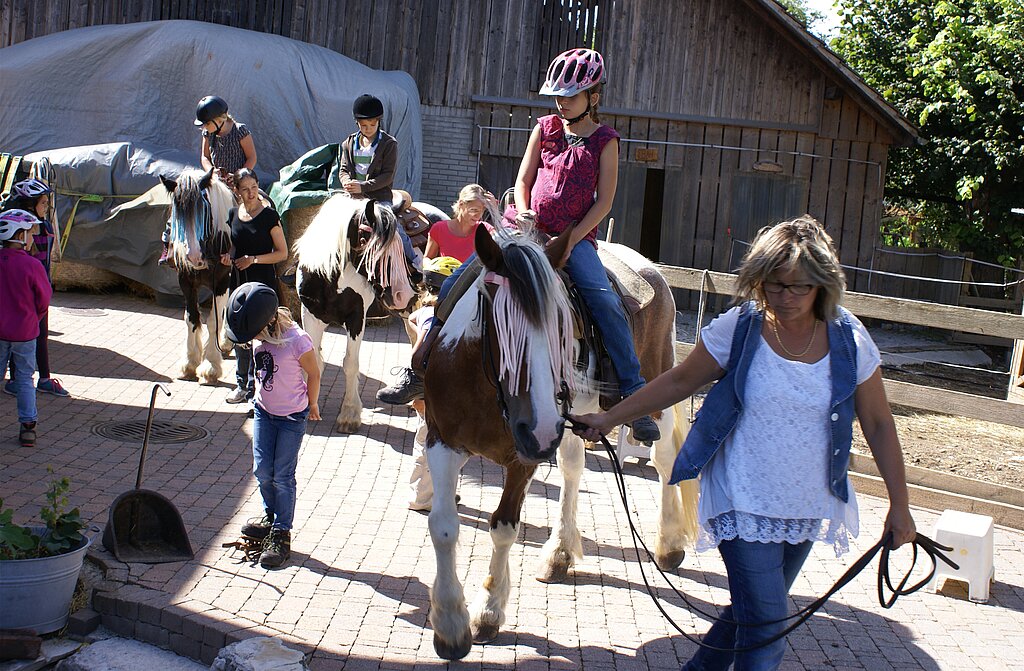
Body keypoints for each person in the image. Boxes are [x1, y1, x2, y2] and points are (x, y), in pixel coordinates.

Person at [570, 216, 917, 670]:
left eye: (798, 288)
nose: (784, 298)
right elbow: (678, 381)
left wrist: (901, 503)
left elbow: (879, 423)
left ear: (822, 285)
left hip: (807, 503)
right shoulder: (741, 328)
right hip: (741, 498)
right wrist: (610, 416)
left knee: (750, 617)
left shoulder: (849, 338)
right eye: (772, 285)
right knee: (767, 631)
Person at [379, 48, 661, 443]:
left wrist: (573, 238)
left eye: (571, 95)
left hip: (573, 237)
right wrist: (524, 211)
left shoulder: (604, 141)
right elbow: (524, 180)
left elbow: (605, 202)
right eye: (558, 96)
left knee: (605, 300)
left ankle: (633, 391)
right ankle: (421, 368)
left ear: (593, 97)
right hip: (525, 228)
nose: (561, 103)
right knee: (457, 279)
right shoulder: (544, 127)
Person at [225, 282, 321, 569]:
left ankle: (282, 532)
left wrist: (312, 404)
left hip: (292, 418)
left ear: (266, 320)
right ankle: (271, 516)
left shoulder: (297, 340)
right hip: (264, 413)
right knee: (261, 470)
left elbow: (314, 373)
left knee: (282, 475)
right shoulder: (259, 336)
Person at [376, 184, 498, 403]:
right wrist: (436, 266)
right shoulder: (439, 229)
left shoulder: (486, 231)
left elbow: (500, 247)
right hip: (441, 292)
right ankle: (418, 375)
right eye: (473, 209)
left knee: (427, 319)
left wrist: (496, 214)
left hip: (472, 295)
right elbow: (427, 258)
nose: (478, 215)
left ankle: (417, 377)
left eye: (481, 211)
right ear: (460, 205)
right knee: (418, 316)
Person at [159, 96, 258, 266]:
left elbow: (252, 157)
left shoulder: (241, 131)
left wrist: (237, 177)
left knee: (253, 208)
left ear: (220, 120)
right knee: (187, 200)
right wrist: (211, 173)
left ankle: (253, 250)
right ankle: (168, 243)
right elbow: (204, 157)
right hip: (214, 180)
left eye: (207, 123)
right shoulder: (208, 133)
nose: (204, 127)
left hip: (238, 182)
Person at [220, 169, 289, 407]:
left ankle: (259, 391)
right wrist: (228, 257)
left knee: (261, 336)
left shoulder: (269, 216)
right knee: (240, 335)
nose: (250, 193)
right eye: (245, 189)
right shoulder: (233, 214)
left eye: (253, 187)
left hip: (261, 285)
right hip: (239, 283)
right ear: (237, 191)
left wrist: (254, 259)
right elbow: (234, 247)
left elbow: (282, 253)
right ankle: (242, 385)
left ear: (258, 186)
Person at [2, 178, 69, 397]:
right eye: (43, 203)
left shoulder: (44, 227)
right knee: (17, 337)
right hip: (24, 293)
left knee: (40, 334)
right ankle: (17, 380)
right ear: (29, 206)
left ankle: (43, 378)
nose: (46, 208)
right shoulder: (19, 234)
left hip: (38, 290)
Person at [338, 94, 418, 266]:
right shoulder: (348, 143)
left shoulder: (389, 144)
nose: (368, 129)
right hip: (353, 197)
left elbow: (387, 176)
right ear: (357, 123)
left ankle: (414, 261)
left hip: (379, 198)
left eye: (372, 124)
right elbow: (343, 169)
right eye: (364, 125)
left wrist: (363, 187)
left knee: (393, 227)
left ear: (379, 121)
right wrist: (346, 181)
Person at [0, 209, 53, 448]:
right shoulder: (32, 265)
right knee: (24, 379)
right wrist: (34, 317)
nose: (32, 237)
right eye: (29, 233)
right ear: (18, 235)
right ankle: (28, 426)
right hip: (25, 332)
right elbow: (44, 298)